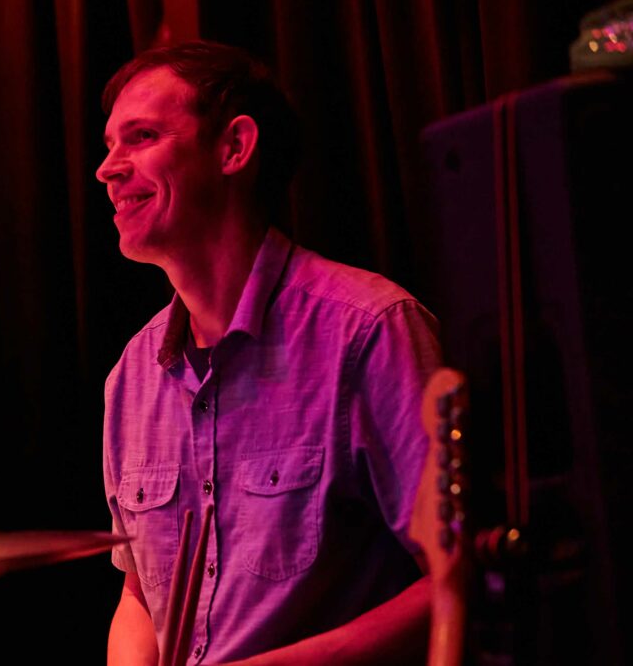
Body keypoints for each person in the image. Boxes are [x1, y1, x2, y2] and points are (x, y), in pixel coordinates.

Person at [96, 40, 442, 665]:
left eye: (140, 137)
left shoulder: (369, 332)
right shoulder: (130, 378)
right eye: (109, 145)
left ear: (234, 147)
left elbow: (459, 579)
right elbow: (141, 598)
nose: (108, 168)